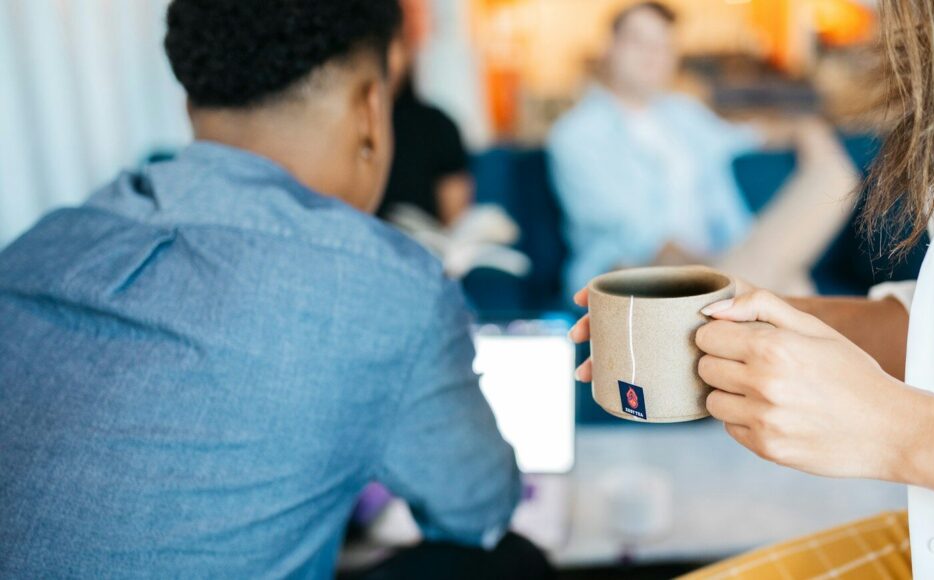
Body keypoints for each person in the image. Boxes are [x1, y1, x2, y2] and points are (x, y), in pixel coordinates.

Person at [0, 1, 547, 578]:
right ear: (370, 109)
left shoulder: (37, 246)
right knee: (511, 563)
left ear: (190, 101)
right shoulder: (388, 286)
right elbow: (480, 508)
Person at [572, 0, 934, 578]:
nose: (860, 9)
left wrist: (890, 429)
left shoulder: (683, 117)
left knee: (824, 179)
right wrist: (741, 313)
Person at [548, 1, 761, 298]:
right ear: (609, 48)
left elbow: (749, 137)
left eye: (663, 45)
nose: (653, 54)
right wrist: (727, 269)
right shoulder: (576, 134)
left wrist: (803, 131)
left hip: (722, 261)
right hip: (636, 272)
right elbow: (637, 239)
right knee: (781, 281)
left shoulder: (685, 113)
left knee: (784, 272)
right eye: (639, 41)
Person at [376, 0, 473, 227]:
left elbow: (456, 224)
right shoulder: (340, 129)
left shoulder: (439, 126)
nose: (383, 64)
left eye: (392, 46)